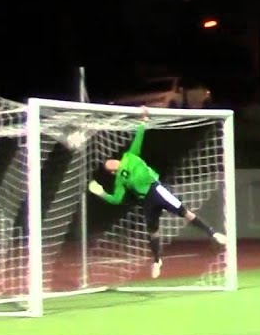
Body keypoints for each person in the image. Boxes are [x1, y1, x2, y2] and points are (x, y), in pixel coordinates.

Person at [87, 107, 227, 279]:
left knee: (184, 212)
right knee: (153, 231)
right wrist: (101, 193)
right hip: (146, 200)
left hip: (156, 190)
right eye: (110, 165)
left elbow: (138, 138)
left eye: (112, 161)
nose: (113, 162)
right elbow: (116, 199)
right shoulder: (120, 179)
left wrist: (143, 120)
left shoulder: (129, 157)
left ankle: (213, 233)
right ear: (113, 172)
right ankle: (157, 260)